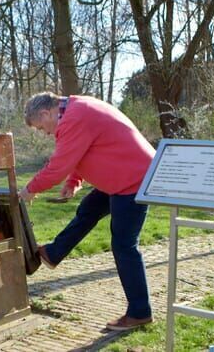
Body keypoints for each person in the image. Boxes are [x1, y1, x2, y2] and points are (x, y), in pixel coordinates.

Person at [18, 92, 155, 331]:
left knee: (124, 245)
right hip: (123, 176)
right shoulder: (76, 109)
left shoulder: (74, 117)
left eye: (42, 128)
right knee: (88, 210)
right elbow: (87, 149)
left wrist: (30, 189)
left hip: (134, 180)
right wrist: (74, 182)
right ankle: (52, 253)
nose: (46, 133)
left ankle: (140, 312)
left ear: (46, 113)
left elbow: (58, 166)